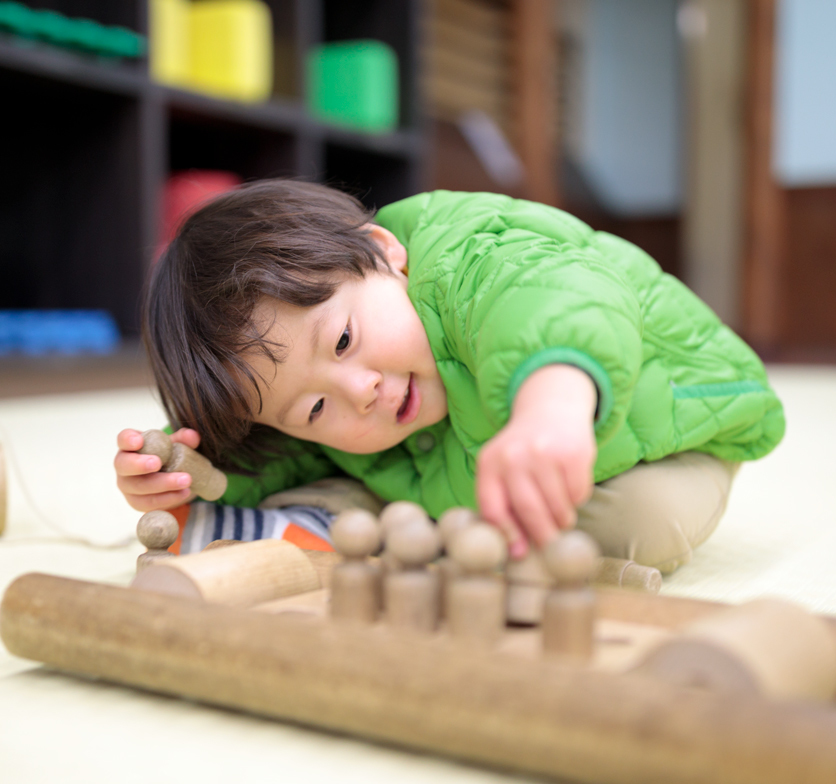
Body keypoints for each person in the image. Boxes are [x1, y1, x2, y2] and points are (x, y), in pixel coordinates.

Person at [115, 180, 784, 571]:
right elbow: (288, 451)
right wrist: (207, 477)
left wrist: (551, 407)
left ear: (384, 255)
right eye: (314, 406)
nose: (358, 389)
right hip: (461, 463)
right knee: (328, 480)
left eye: (344, 339)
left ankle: (452, 524)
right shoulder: (361, 396)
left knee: (645, 524)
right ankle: (370, 519)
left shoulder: (472, 258)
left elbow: (556, 298)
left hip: (666, 418)